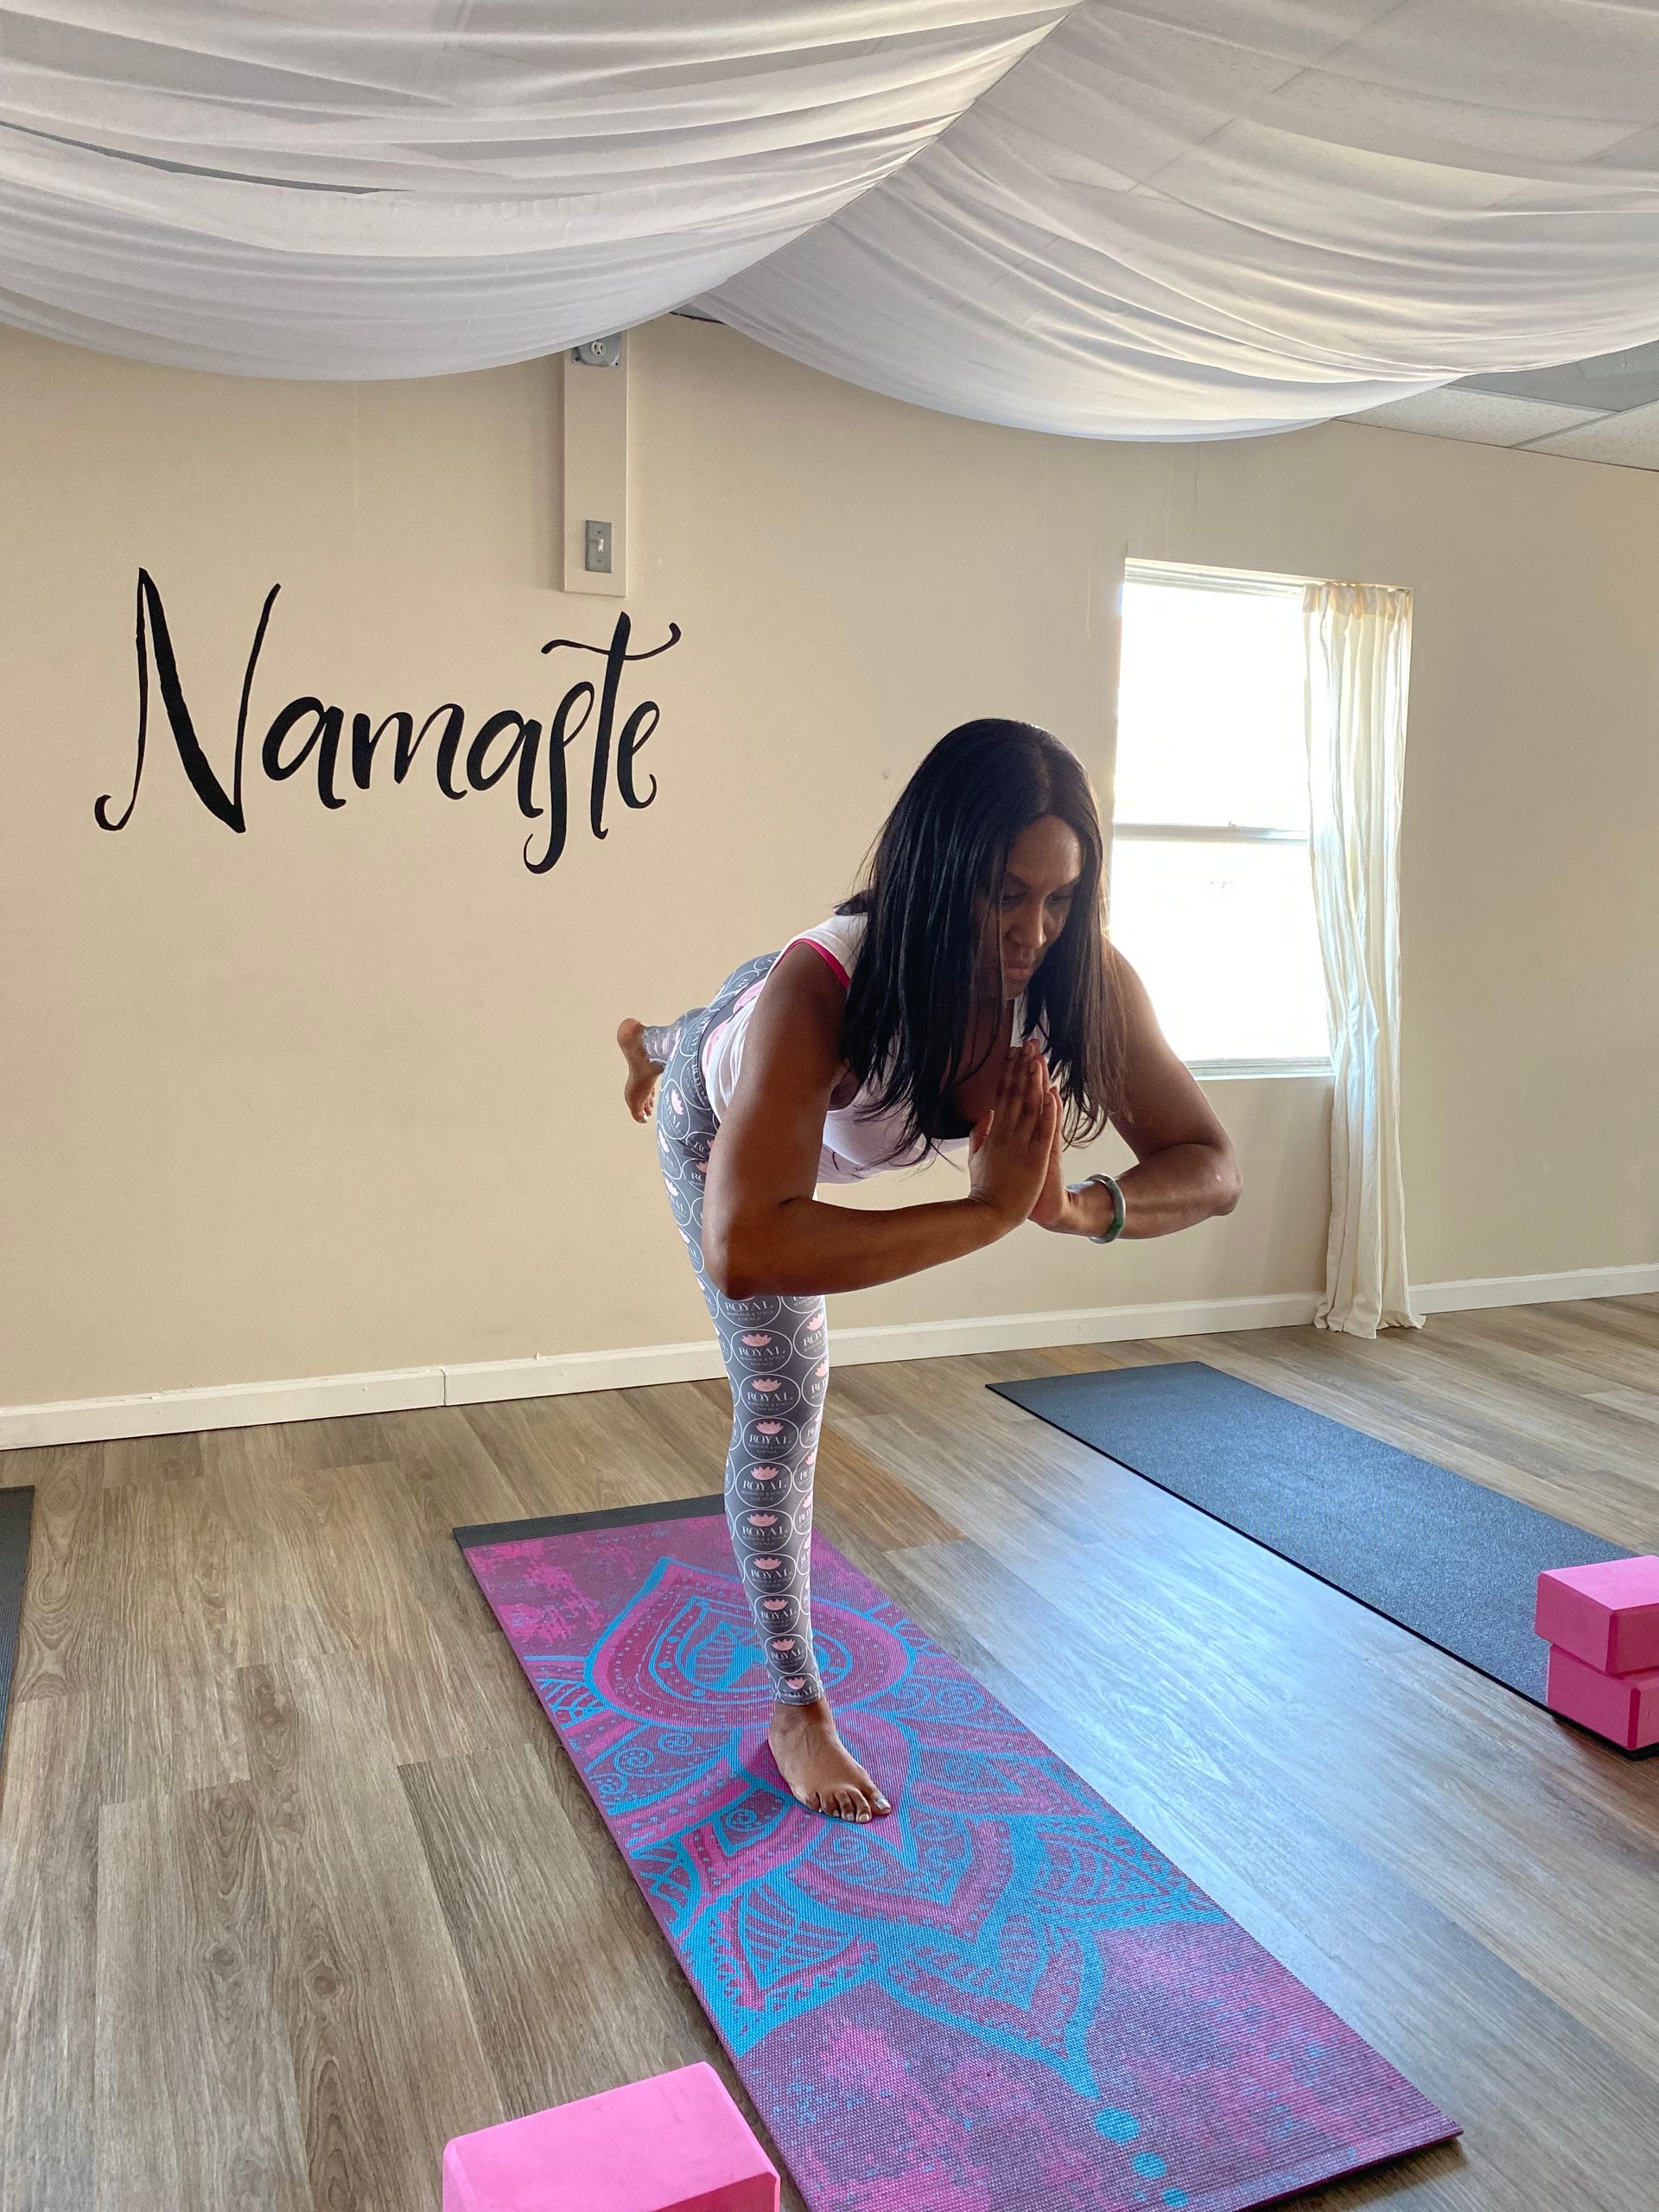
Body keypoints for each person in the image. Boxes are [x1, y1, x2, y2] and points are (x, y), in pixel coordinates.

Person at [615, 720, 1240, 1824]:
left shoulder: (1071, 976)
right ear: (940, 868)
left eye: (1058, 897)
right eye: (1005, 893)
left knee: (716, 1011)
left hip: (788, 1053)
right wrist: (992, 1211)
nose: (1031, 931)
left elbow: (1212, 1164)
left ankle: (652, 1036)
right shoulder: (824, 995)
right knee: (783, 1394)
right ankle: (796, 1706)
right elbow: (747, 1249)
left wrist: (1081, 1208)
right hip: (723, 1126)